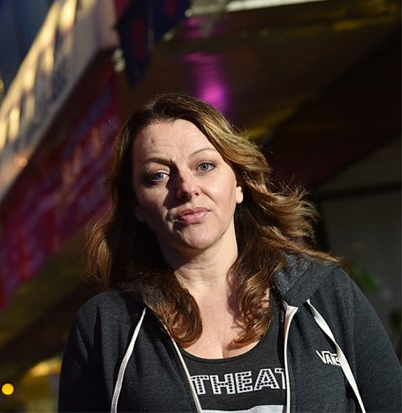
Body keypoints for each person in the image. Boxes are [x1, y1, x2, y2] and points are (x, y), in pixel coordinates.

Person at [58, 93, 401, 413]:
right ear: (136, 205)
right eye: (158, 175)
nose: (186, 188)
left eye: (204, 166)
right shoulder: (106, 327)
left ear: (237, 183)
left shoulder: (323, 294)